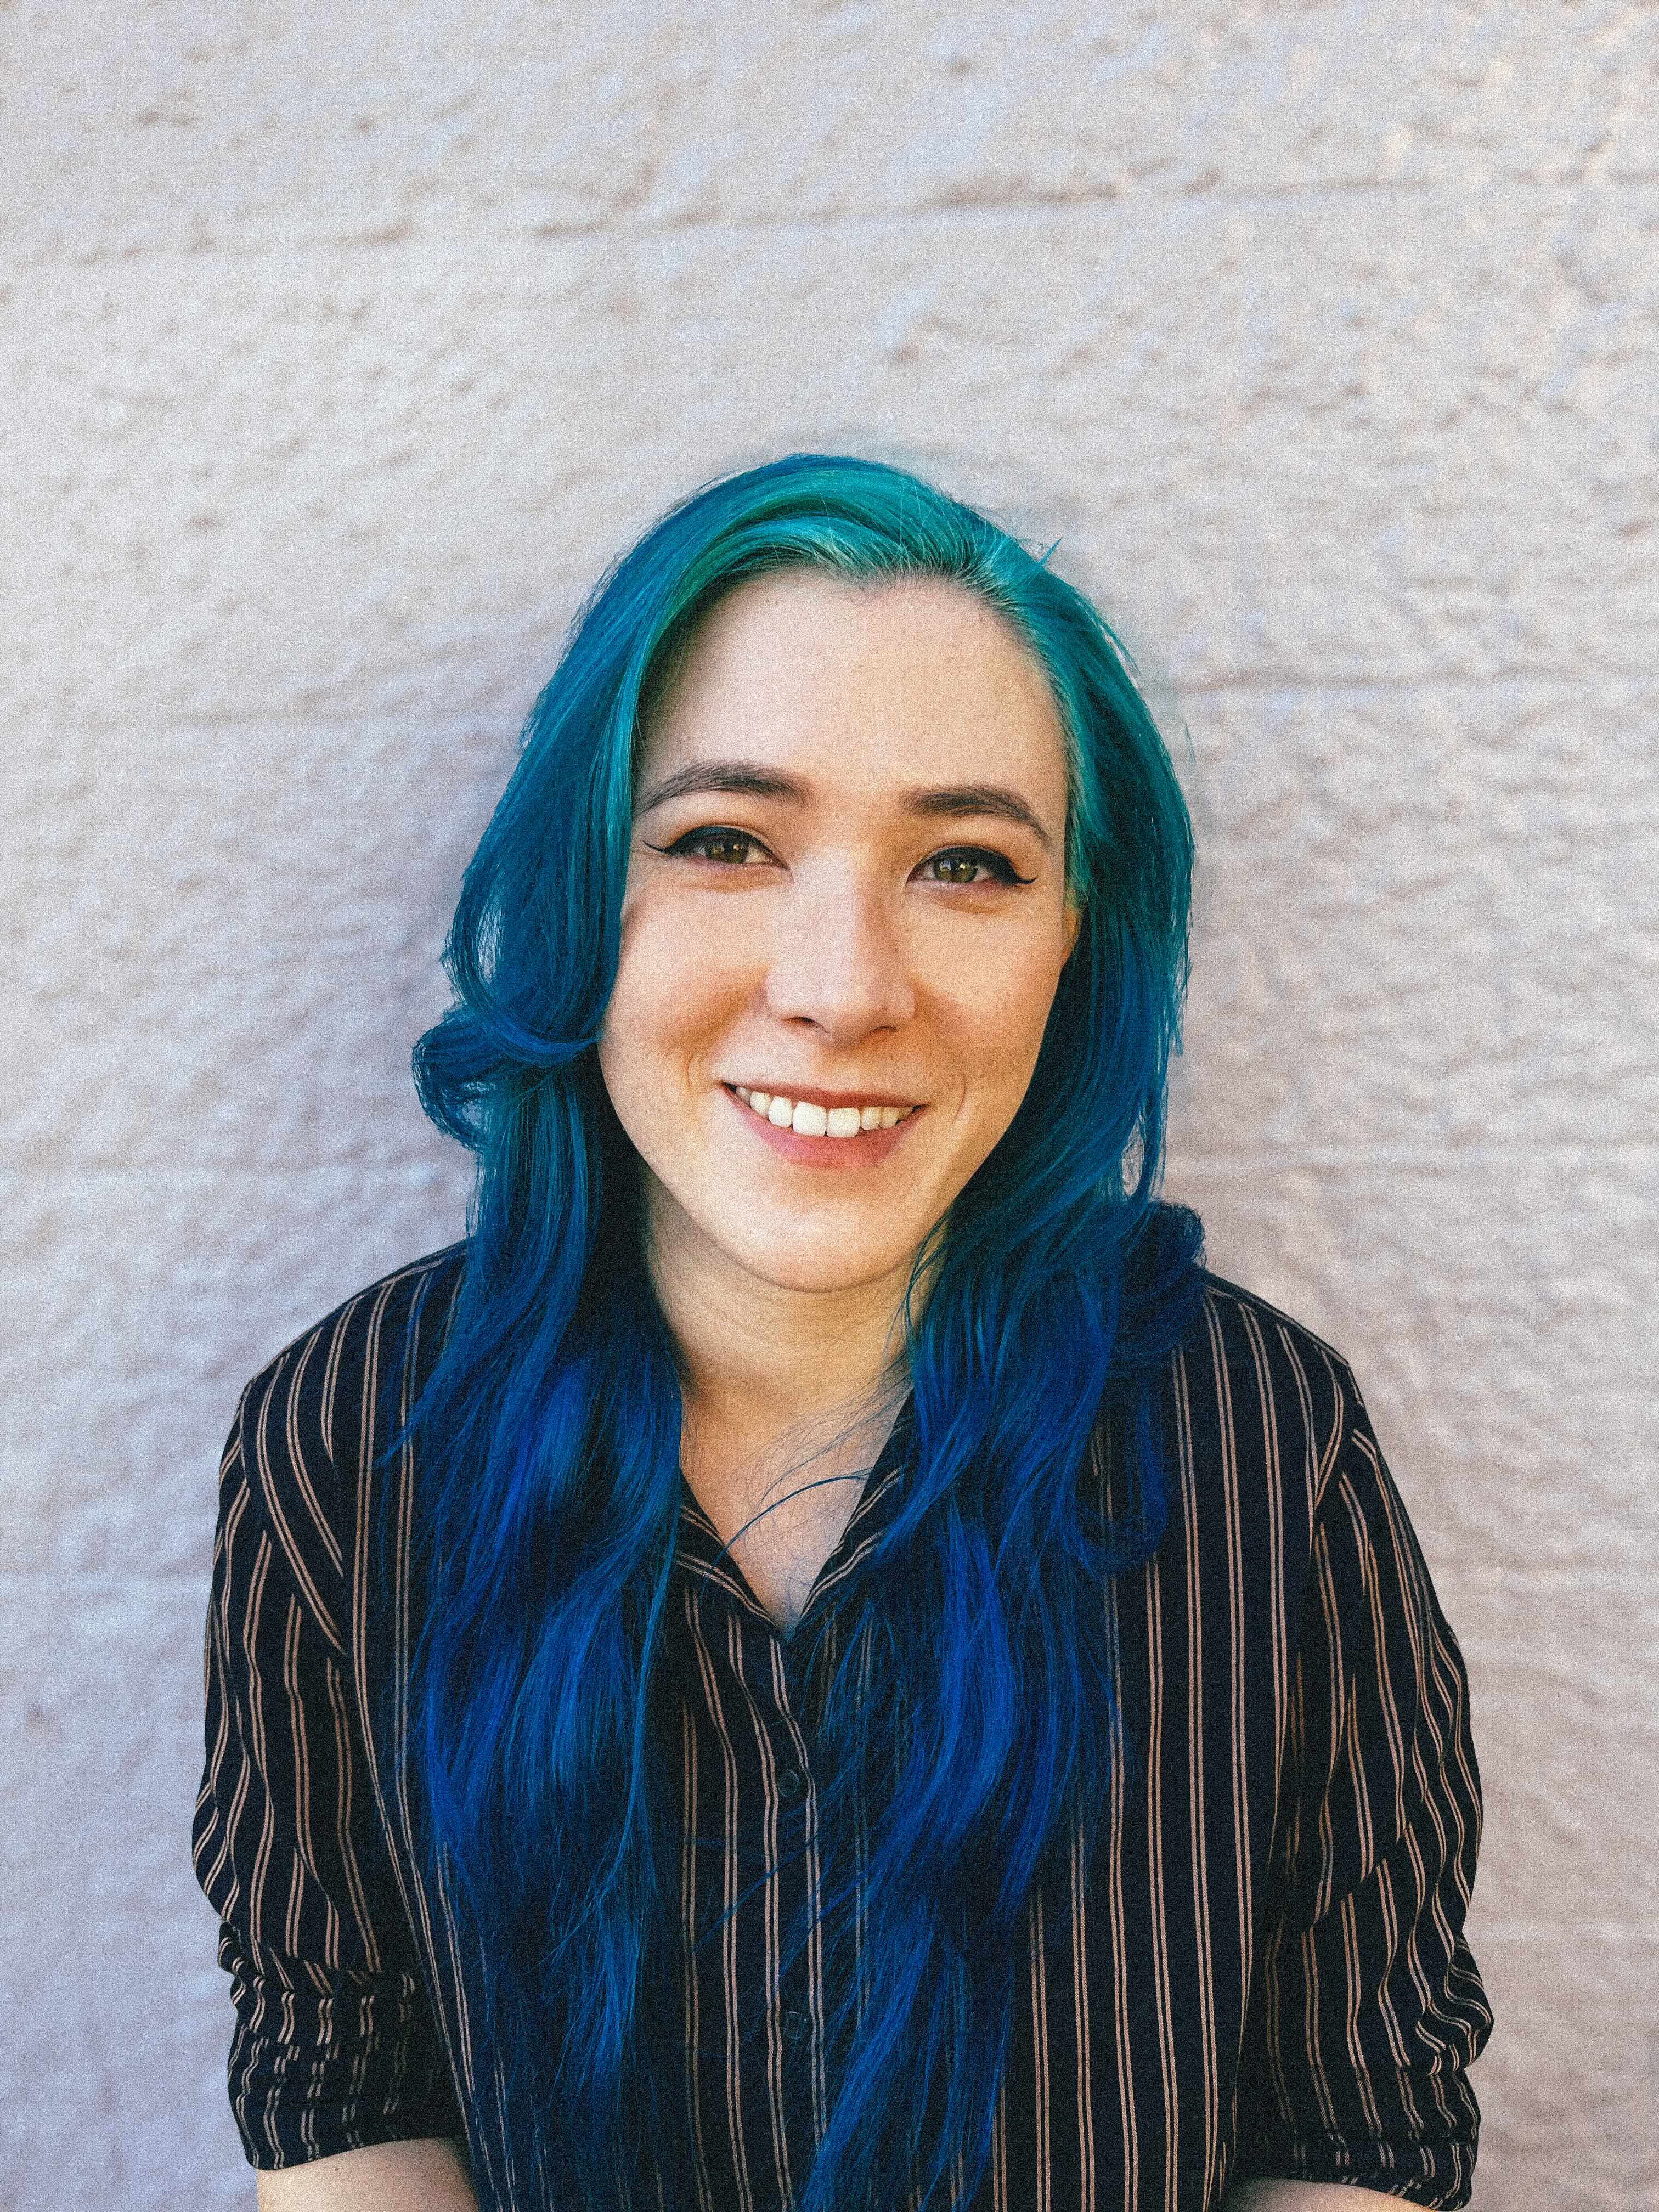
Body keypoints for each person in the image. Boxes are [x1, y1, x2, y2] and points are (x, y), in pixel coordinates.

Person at [193, 454, 1491, 2212]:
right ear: (584, 892)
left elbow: (1362, 2124)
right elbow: (341, 2087)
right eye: (726, 842)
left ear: (1073, 941)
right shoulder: (352, 1444)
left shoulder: (1262, 1444)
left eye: (965, 864)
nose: (843, 987)